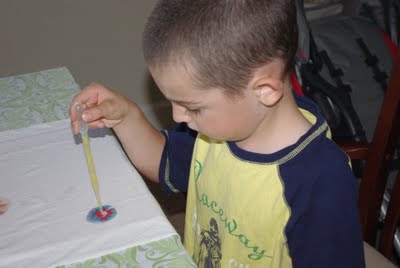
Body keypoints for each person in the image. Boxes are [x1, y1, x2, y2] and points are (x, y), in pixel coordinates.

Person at [69, 0, 365, 267]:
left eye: (192, 107)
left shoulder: (320, 180)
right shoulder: (214, 133)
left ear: (265, 90)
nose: (177, 117)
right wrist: (126, 116)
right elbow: (163, 162)